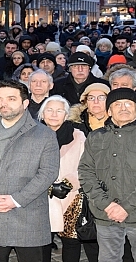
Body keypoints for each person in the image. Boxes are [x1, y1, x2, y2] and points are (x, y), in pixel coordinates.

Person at [0, 80, 60, 262]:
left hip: (29, 213)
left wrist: (16, 199)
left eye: (11, 99)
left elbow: (48, 172)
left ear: (25, 103)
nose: (3, 104)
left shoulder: (44, 134)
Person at [78, 88, 136, 262]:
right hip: (106, 215)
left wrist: (125, 207)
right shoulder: (96, 138)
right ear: (109, 111)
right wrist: (106, 204)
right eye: (117, 104)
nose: (123, 108)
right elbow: (86, 172)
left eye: (128, 103)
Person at [39, 96, 98, 262]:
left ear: (66, 115)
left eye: (59, 110)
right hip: (40, 197)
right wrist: (47, 186)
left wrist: (69, 182)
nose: (54, 114)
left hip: (70, 197)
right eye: (49, 110)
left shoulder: (78, 136)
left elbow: (86, 165)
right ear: (42, 114)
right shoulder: (32, 136)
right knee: (42, 242)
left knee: (71, 241)